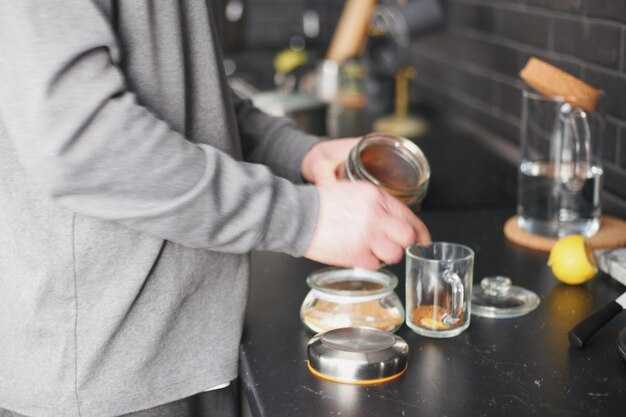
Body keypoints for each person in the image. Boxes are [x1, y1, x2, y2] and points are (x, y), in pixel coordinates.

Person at [0, 1, 430, 417]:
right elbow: (80, 142)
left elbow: (180, 92)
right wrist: (303, 217)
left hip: (191, 347)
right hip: (108, 373)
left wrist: (298, 153)